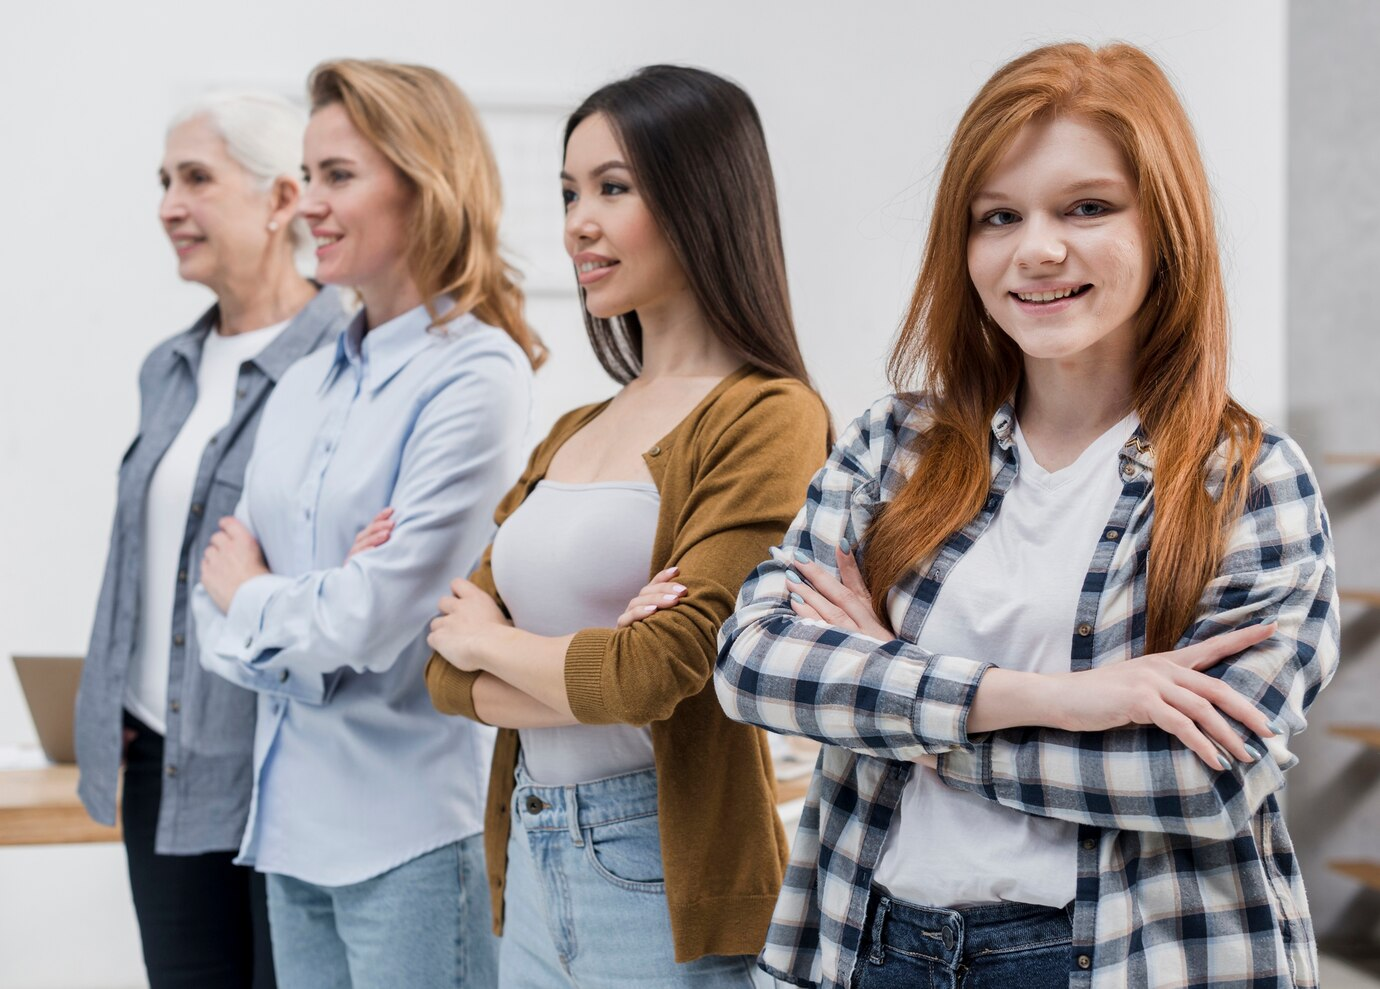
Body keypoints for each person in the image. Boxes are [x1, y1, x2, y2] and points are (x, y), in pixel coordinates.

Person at [713, 42, 1338, 989]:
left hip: (1114, 960)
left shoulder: (1247, 482)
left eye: (1086, 207)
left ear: (1165, 225)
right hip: (875, 946)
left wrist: (905, 708)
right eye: (997, 216)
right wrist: (1063, 700)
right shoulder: (897, 445)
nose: (1036, 248)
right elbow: (753, 661)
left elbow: (1203, 777)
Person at [424, 65, 830, 987]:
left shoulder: (769, 414)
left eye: (614, 188)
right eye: (569, 192)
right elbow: (444, 668)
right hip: (530, 859)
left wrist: (503, 643)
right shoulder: (574, 428)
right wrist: (591, 666)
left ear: (701, 198)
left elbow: (662, 670)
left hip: (658, 864)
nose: (578, 221)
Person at [191, 59, 540, 989]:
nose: (310, 204)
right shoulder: (303, 379)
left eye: (339, 175)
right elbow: (210, 596)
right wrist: (308, 605)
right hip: (289, 831)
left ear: (424, 187)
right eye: (308, 177)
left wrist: (264, 599)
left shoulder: (477, 376)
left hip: (413, 835)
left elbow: (376, 622)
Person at [74, 91, 349, 989]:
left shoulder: (347, 355)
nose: (168, 205)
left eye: (196, 178)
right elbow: (140, 558)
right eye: (163, 181)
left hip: (285, 760)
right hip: (161, 757)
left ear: (280, 202)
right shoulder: (169, 366)